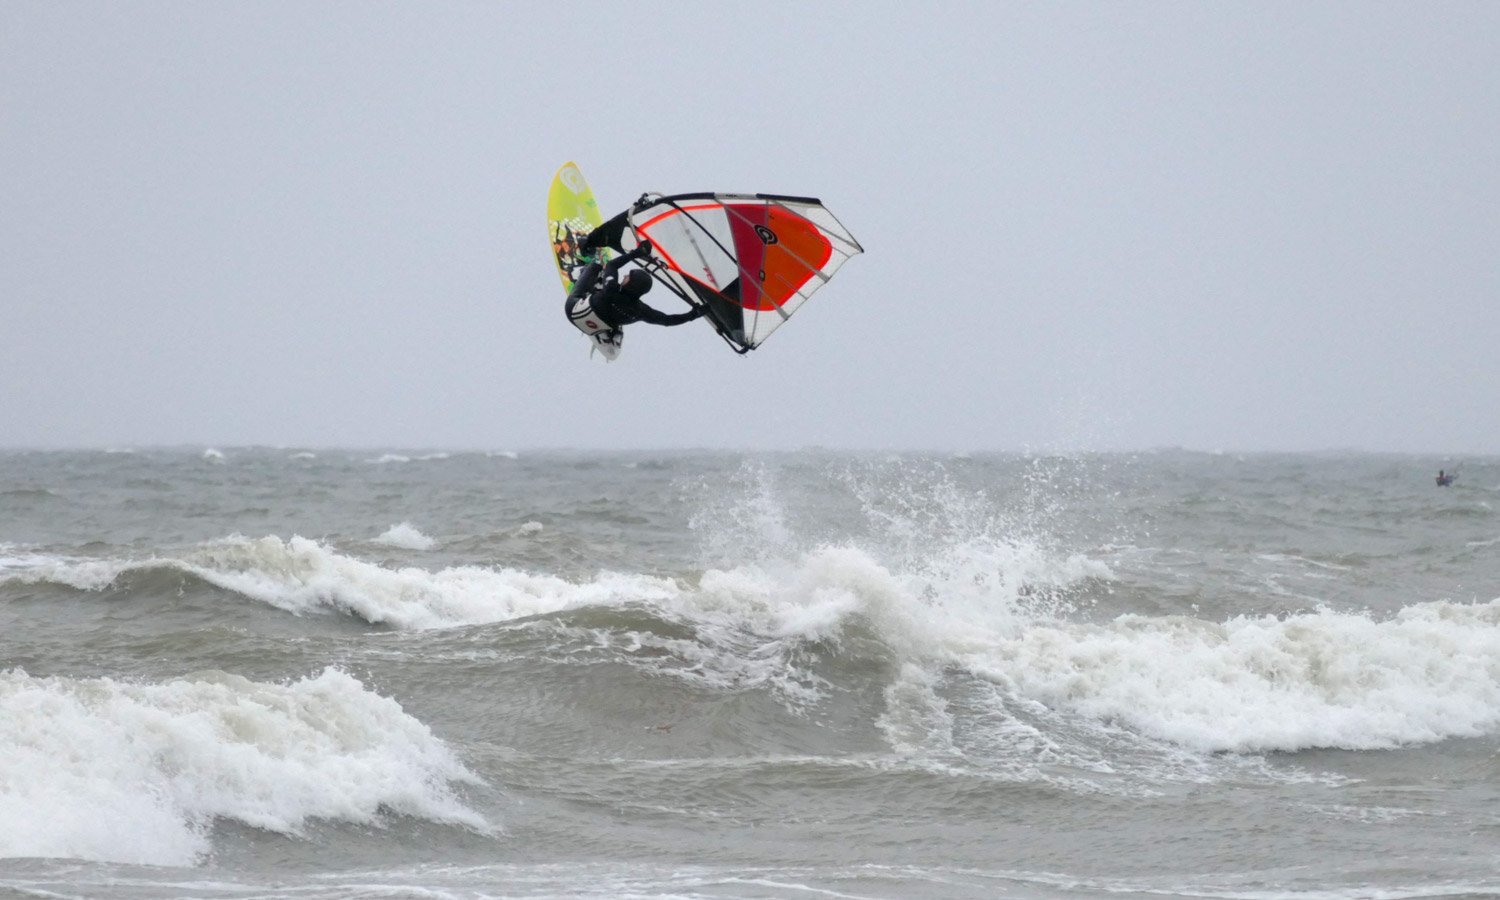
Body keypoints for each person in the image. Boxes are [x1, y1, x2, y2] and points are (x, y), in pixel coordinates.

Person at [565, 232, 703, 354]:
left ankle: (583, 264)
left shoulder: (611, 290)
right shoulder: (640, 310)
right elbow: (667, 320)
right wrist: (693, 314)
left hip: (573, 310)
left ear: (630, 284)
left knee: (596, 267)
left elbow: (611, 265)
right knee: (615, 312)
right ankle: (613, 334)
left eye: (628, 277)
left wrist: (637, 252)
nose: (624, 276)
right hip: (592, 328)